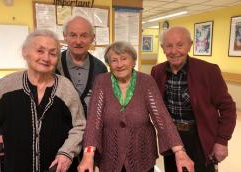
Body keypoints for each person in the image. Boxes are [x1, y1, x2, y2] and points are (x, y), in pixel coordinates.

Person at [77, 41, 194, 172]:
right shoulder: (101, 81)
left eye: (124, 59)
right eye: (114, 60)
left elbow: (161, 118)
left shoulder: (146, 81)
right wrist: (88, 154)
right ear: (109, 64)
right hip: (110, 156)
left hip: (142, 154)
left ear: (133, 61)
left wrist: (179, 151)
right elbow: (94, 121)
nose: (119, 64)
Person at [0, 29, 86, 172]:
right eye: (40, 51)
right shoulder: (7, 85)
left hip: (57, 168)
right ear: (25, 52)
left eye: (53, 53)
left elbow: (79, 126)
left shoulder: (65, 87)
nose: (46, 58)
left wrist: (67, 152)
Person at [151, 26, 236, 172]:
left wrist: (222, 141)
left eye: (180, 45)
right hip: (172, 138)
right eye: (169, 46)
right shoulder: (157, 71)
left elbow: (228, 108)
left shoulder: (208, 71)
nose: (174, 51)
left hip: (200, 138)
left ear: (190, 45)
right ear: (162, 48)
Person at [56, 15, 108, 116]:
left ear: (92, 38)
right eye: (73, 35)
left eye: (84, 35)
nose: (78, 41)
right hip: (60, 129)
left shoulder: (100, 68)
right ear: (65, 36)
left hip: (91, 129)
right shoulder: (54, 65)